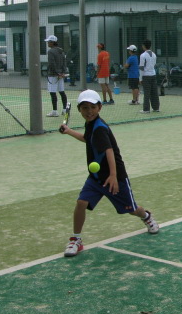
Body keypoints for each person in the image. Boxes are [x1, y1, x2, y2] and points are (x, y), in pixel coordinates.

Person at [59, 89, 159, 257]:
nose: (89, 111)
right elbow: (87, 139)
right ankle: (76, 239)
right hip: (96, 178)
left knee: (132, 209)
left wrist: (113, 176)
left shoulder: (100, 128)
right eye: (85, 108)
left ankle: (146, 216)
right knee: (81, 203)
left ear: (99, 108)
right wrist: (69, 131)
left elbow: (109, 151)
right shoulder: (90, 124)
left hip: (115, 178)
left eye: (92, 107)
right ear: (79, 110)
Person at [45, 35, 69, 117]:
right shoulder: (61, 51)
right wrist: (62, 72)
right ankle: (64, 110)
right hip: (60, 75)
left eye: (49, 42)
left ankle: (54, 111)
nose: (48, 43)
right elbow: (64, 62)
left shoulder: (50, 52)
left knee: (52, 93)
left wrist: (56, 72)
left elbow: (51, 63)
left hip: (53, 75)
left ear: (52, 42)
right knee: (62, 92)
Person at [139, 39, 159, 113]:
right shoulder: (154, 54)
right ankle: (156, 108)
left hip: (146, 76)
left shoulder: (143, 55)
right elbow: (154, 64)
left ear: (144, 46)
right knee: (154, 92)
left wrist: (140, 78)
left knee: (147, 93)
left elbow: (141, 67)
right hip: (153, 74)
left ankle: (146, 109)